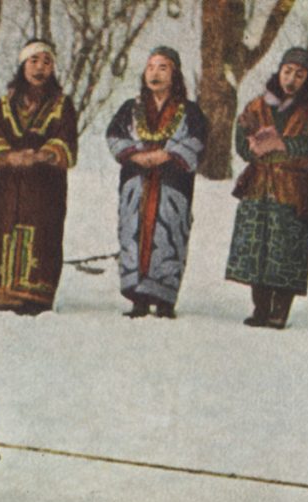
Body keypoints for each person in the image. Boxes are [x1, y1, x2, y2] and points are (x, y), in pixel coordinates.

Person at [106, 46, 206, 318]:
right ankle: (137, 298)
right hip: (137, 181)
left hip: (171, 183)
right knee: (133, 231)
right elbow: (114, 135)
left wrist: (167, 154)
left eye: (163, 67)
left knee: (168, 231)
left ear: (175, 74)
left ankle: (164, 300)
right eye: (151, 67)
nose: (155, 73)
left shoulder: (189, 111)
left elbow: (197, 140)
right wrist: (135, 155)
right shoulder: (131, 108)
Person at [225, 47, 308, 330]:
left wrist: (282, 146)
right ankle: (260, 307)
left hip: (294, 189)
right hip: (259, 184)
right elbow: (241, 140)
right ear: (279, 71)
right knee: (257, 246)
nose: (291, 79)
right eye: (287, 72)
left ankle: (280, 310)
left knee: (287, 249)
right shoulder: (257, 105)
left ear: (307, 78)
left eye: (299, 74)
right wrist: (253, 147)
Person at [0, 39, 77, 315]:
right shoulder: (3, 105)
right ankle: (3, 293)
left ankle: (36, 295)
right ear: (23, 65)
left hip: (45, 187)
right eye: (34, 61)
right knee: (4, 231)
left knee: (43, 234)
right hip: (9, 186)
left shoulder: (62, 105)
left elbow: (67, 140)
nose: (40, 68)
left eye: (47, 62)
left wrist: (44, 154)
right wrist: (10, 156)